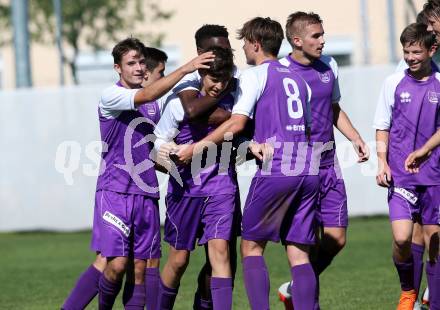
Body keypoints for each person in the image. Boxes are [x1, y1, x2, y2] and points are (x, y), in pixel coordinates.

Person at [176, 16, 320, 310]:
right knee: (299, 253)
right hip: (308, 167)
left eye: (244, 43)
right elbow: (306, 127)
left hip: (277, 169)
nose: (241, 50)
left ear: (255, 44)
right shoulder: (299, 78)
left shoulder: (254, 76)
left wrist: (197, 147)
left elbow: (237, 122)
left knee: (251, 247)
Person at [61, 38, 214, 310]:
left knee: (142, 269)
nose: (139, 67)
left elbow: (147, 150)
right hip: (114, 193)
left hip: (146, 194)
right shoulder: (113, 95)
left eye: (142, 62)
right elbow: (146, 94)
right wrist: (188, 67)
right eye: (131, 63)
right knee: (116, 263)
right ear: (118, 68)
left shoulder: (153, 107)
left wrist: (178, 161)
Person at [277, 11, 369, 309]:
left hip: (328, 165)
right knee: (305, 243)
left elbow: (334, 108)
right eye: (316, 35)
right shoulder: (277, 71)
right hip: (296, 168)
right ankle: (305, 300)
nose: (322, 40)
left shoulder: (329, 65)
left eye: (322, 34)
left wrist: (354, 137)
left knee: (337, 238)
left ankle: (294, 288)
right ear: (296, 40)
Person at [154, 46, 236, 310]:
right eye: (213, 79)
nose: (219, 85)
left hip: (220, 188)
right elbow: (156, 147)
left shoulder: (234, 100)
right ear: (201, 75)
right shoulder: (179, 105)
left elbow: (244, 130)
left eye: (224, 80)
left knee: (220, 254)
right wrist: (169, 158)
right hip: (184, 192)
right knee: (178, 261)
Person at [171, 24, 244, 310]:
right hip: (187, 184)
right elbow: (194, 112)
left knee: (224, 254)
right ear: (201, 55)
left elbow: (243, 121)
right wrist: (232, 114)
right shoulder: (188, 83)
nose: (227, 54)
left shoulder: (237, 80)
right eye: (220, 50)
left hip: (223, 180)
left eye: (228, 49)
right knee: (179, 260)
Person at [374, 23, 440, 310]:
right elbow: (382, 126)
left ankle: (432, 302)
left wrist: (425, 150)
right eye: (406, 51)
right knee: (402, 238)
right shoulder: (393, 83)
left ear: (431, 50)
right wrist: (381, 162)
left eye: (416, 52)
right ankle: (408, 290)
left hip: (435, 175)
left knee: (434, 241)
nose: (410, 57)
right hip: (401, 175)